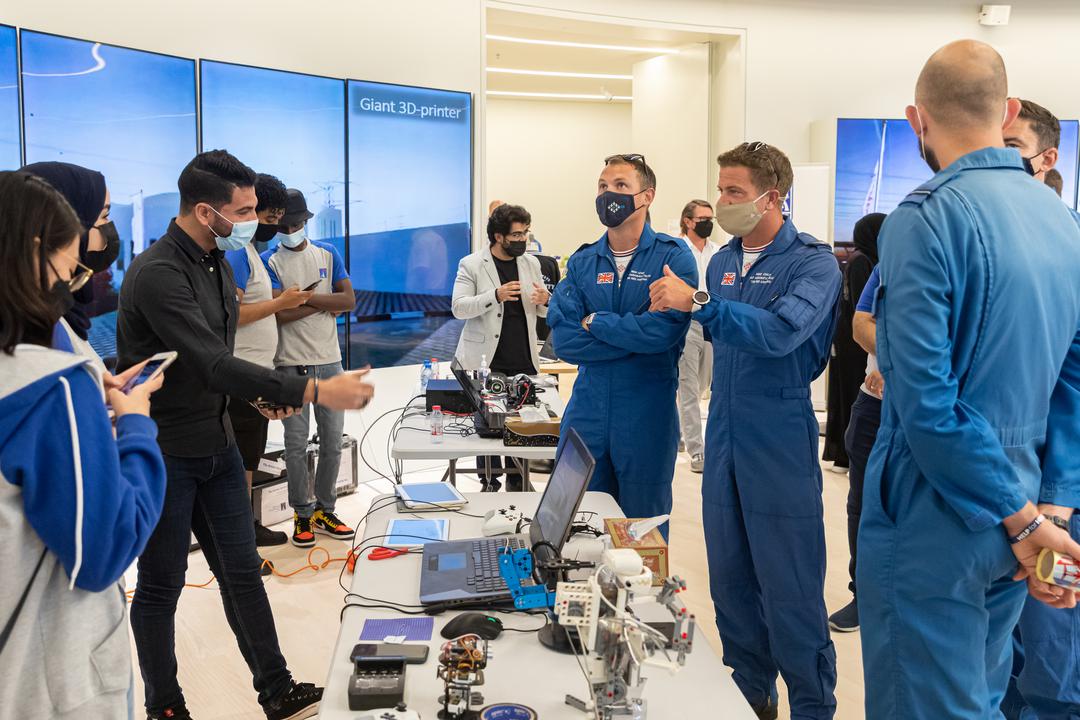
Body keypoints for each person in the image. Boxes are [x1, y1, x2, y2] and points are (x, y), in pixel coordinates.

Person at [854, 41, 1080, 719]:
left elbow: (926, 402)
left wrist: (1019, 519)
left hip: (938, 512)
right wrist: (1051, 512)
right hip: (1023, 505)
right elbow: (1073, 379)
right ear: (1008, 110)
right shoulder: (1060, 221)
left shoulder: (924, 218)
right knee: (979, 698)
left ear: (915, 120)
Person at [118, 150, 375, 720]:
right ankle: (166, 705)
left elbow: (218, 359)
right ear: (207, 211)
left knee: (242, 574)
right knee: (162, 586)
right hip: (166, 454)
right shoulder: (159, 273)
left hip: (218, 443)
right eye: (246, 211)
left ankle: (277, 689)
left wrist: (254, 394)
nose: (257, 221)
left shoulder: (215, 262)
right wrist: (310, 390)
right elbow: (209, 360)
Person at [649, 141, 842, 720]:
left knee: (790, 587)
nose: (722, 202)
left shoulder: (813, 262)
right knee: (730, 581)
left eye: (733, 192)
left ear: (771, 196)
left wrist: (700, 303)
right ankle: (752, 695)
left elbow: (782, 331)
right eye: (721, 190)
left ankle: (812, 704)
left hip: (779, 432)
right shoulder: (724, 260)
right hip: (726, 430)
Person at [0, 170, 167, 718]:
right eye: (70, 267)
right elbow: (103, 551)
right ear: (33, 252)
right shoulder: (52, 383)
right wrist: (136, 422)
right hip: (50, 677)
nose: (74, 281)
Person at [547, 154, 696, 536]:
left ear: (647, 196)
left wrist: (596, 322)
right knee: (578, 526)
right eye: (602, 186)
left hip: (647, 412)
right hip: (587, 410)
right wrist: (633, 336)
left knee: (641, 532)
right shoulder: (582, 262)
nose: (608, 194)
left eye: (620, 186)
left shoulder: (672, 257)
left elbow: (662, 334)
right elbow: (564, 340)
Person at [1000, 98, 1080, 720]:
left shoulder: (1068, 246)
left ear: (1044, 160)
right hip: (994, 490)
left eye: (1009, 149)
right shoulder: (980, 240)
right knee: (995, 654)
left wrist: (1057, 496)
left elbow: (1073, 383)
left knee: (1050, 658)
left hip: (1053, 493)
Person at [263, 188, 357, 547]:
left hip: (330, 361)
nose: (289, 231)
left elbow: (347, 299)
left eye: (295, 224)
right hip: (290, 364)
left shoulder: (328, 253)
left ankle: (325, 510)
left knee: (333, 441)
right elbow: (280, 315)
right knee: (296, 444)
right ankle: (302, 514)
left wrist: (302, 296)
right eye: (284, 225)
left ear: (305, 222)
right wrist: (322, 300)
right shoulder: (269, 260)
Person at [224, 173, 311, 555]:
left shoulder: (251, 256)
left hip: (256, 373)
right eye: (269, 219)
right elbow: (233, 314)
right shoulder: (236, 254)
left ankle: (247, 527)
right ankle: (241, 542)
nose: (274, 228)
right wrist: (281, 304)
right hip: (240, 375)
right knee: (239, 461)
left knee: (249, 458)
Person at [451, 203, 550, 491]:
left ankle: (519, 481)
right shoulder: (471, 264)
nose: (522, 240)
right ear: (498, 236)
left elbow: (542, 313)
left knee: (524, 425)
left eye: (525, 234)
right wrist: (495, 294)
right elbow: (458, 308)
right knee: (490, 428)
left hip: (524, 358)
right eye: (517, 235)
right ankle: (489, 482)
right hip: (486, 361)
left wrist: (545, 300)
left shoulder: (531, 264)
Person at [829, 261, 884, 633]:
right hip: (874, 402)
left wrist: (899, 363)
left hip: (929, 405)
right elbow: (860, 324)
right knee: (861, 505)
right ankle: (864, 595)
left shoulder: (968, 263)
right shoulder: (889, 265)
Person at [22, 161, 117, 373]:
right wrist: (130, 407)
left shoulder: (64, 312)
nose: (109, 227)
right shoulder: (38, 329)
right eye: (104, 216)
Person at [822, 213, 884, 474]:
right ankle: (842, 456)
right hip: (853, 344)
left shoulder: (866, 260)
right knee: (848, 394)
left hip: (853, 342)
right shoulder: (863, 262)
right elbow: (863, 312)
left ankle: (842, 456)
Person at [675, 199, 718, 474]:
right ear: (688, 221)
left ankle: (679, 431)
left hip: (713, 322)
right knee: (689, 388)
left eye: (710, 218)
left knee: (703, 385)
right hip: (686, 321)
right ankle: (697, 451)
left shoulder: (718, 251)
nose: (708, 222)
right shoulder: (678, 250)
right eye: (703, 218)